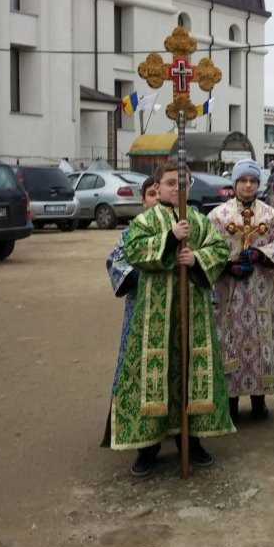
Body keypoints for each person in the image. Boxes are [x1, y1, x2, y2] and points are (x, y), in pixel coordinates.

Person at [107, 161, 234, 478]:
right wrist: (169, 238)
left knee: (191, 375)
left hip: (194, 315)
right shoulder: (145, 220)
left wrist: (196, 259)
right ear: (158, 186)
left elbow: (218, 248)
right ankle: (147, 448)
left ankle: (192, 441)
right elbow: (134, 251)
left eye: (183, 183)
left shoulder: (198, 220)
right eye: (170, 183)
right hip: (154, 316)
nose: (177, 188)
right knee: (151, 377)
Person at [209, 159, 274, 424]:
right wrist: (227, 266)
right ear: (234, 183)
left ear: (259, 183)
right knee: (228, 341)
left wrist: (259, 253)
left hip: (260, 291)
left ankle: (259, 401)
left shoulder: (271, 215)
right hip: (229, 292)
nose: (248, 185)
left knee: (261, 340)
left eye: (253, 181)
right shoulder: (218, 215)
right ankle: (230, 403)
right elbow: (207, 248)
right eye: (243, 180)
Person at [102, 177, 160, 456]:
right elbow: (116, 262)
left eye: (162, 193)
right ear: (144, 200)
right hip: (140, 316)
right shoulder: (132, 232)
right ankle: (142, 441)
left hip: (174, 317)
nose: (157, 198)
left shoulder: (184, 228)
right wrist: (142, 272)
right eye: (152, 193)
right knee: (137, 373)